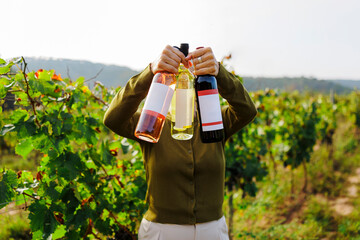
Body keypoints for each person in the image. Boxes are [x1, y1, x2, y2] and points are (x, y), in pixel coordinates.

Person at [103, 45, 257, 240]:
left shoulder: (215, 123)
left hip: (213, 232)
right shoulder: (151, 124)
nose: (184, 87)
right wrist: (150, 72)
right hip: (161, 232)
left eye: (189, 81)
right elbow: (112, 119)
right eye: (178, 82)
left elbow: (248, 111)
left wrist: (219, 73)